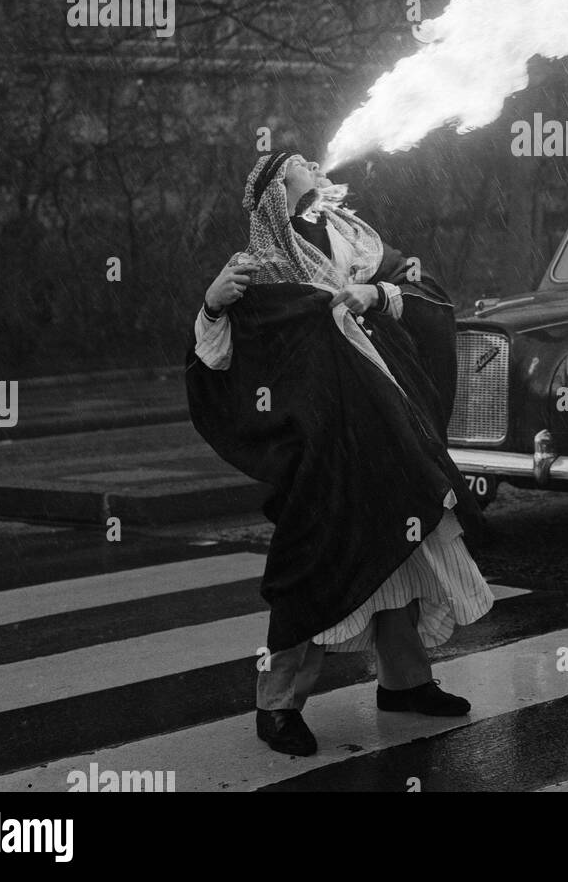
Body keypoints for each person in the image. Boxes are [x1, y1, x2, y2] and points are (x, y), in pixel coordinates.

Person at [185, 150, 493, 758]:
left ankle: (405, 683)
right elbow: (219, 360)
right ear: (277, 192)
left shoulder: (354, 237)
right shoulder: (260, 268)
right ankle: (277, 706)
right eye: (295, 165)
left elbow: (423, 292)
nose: (311, 165)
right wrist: (213, 303)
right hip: (321, 442)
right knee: (316, 566)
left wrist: (374, 295)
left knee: (399, 541)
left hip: (386, 425)